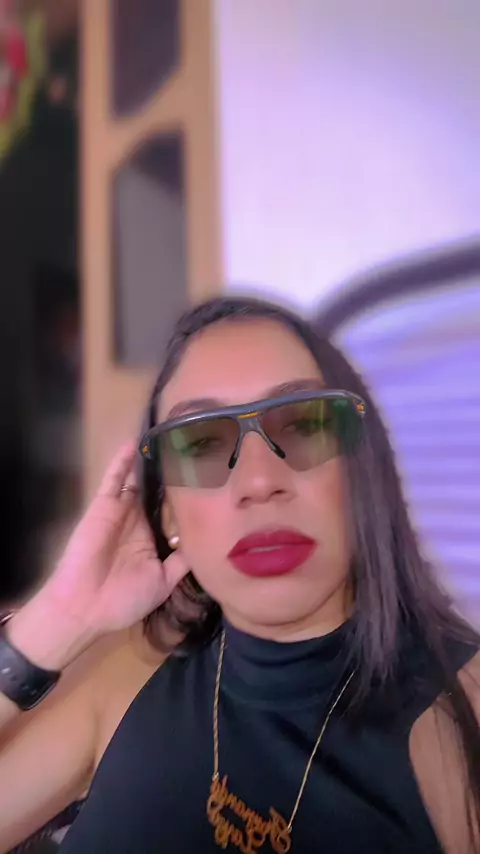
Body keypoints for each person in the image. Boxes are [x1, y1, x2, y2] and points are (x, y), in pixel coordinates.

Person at [0, 295, 479, 854]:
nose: (258, 481)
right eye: (202, 442)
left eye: (303, 424)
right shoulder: (127, 677)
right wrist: (60, 618)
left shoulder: (461, 714)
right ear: (168, 512)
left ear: (362, 470)